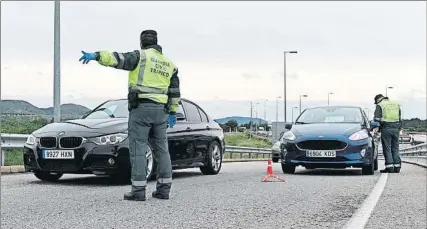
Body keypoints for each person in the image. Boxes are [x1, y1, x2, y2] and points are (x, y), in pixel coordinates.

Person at [79, 29, 180, 201]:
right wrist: (172, 111)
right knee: (162, 150)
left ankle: (138, 191)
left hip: (141, 109)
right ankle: (164, 190)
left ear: (142, 42)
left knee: (138, 148)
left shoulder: (140, 56)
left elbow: (117, 59)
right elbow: (175, 92)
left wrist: (96, 56)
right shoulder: (169, 64)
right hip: (161, 112)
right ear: (157, 42)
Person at [373, 94, 402, 173]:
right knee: (395, 148)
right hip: (396, 128)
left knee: (387, 148)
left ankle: (389, 167)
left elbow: (376, 119)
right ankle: (397, 167)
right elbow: (399, 117)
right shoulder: (396, 104)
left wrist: (376, 128)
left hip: (386, 128)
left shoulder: (380, 105)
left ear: (378, 99)